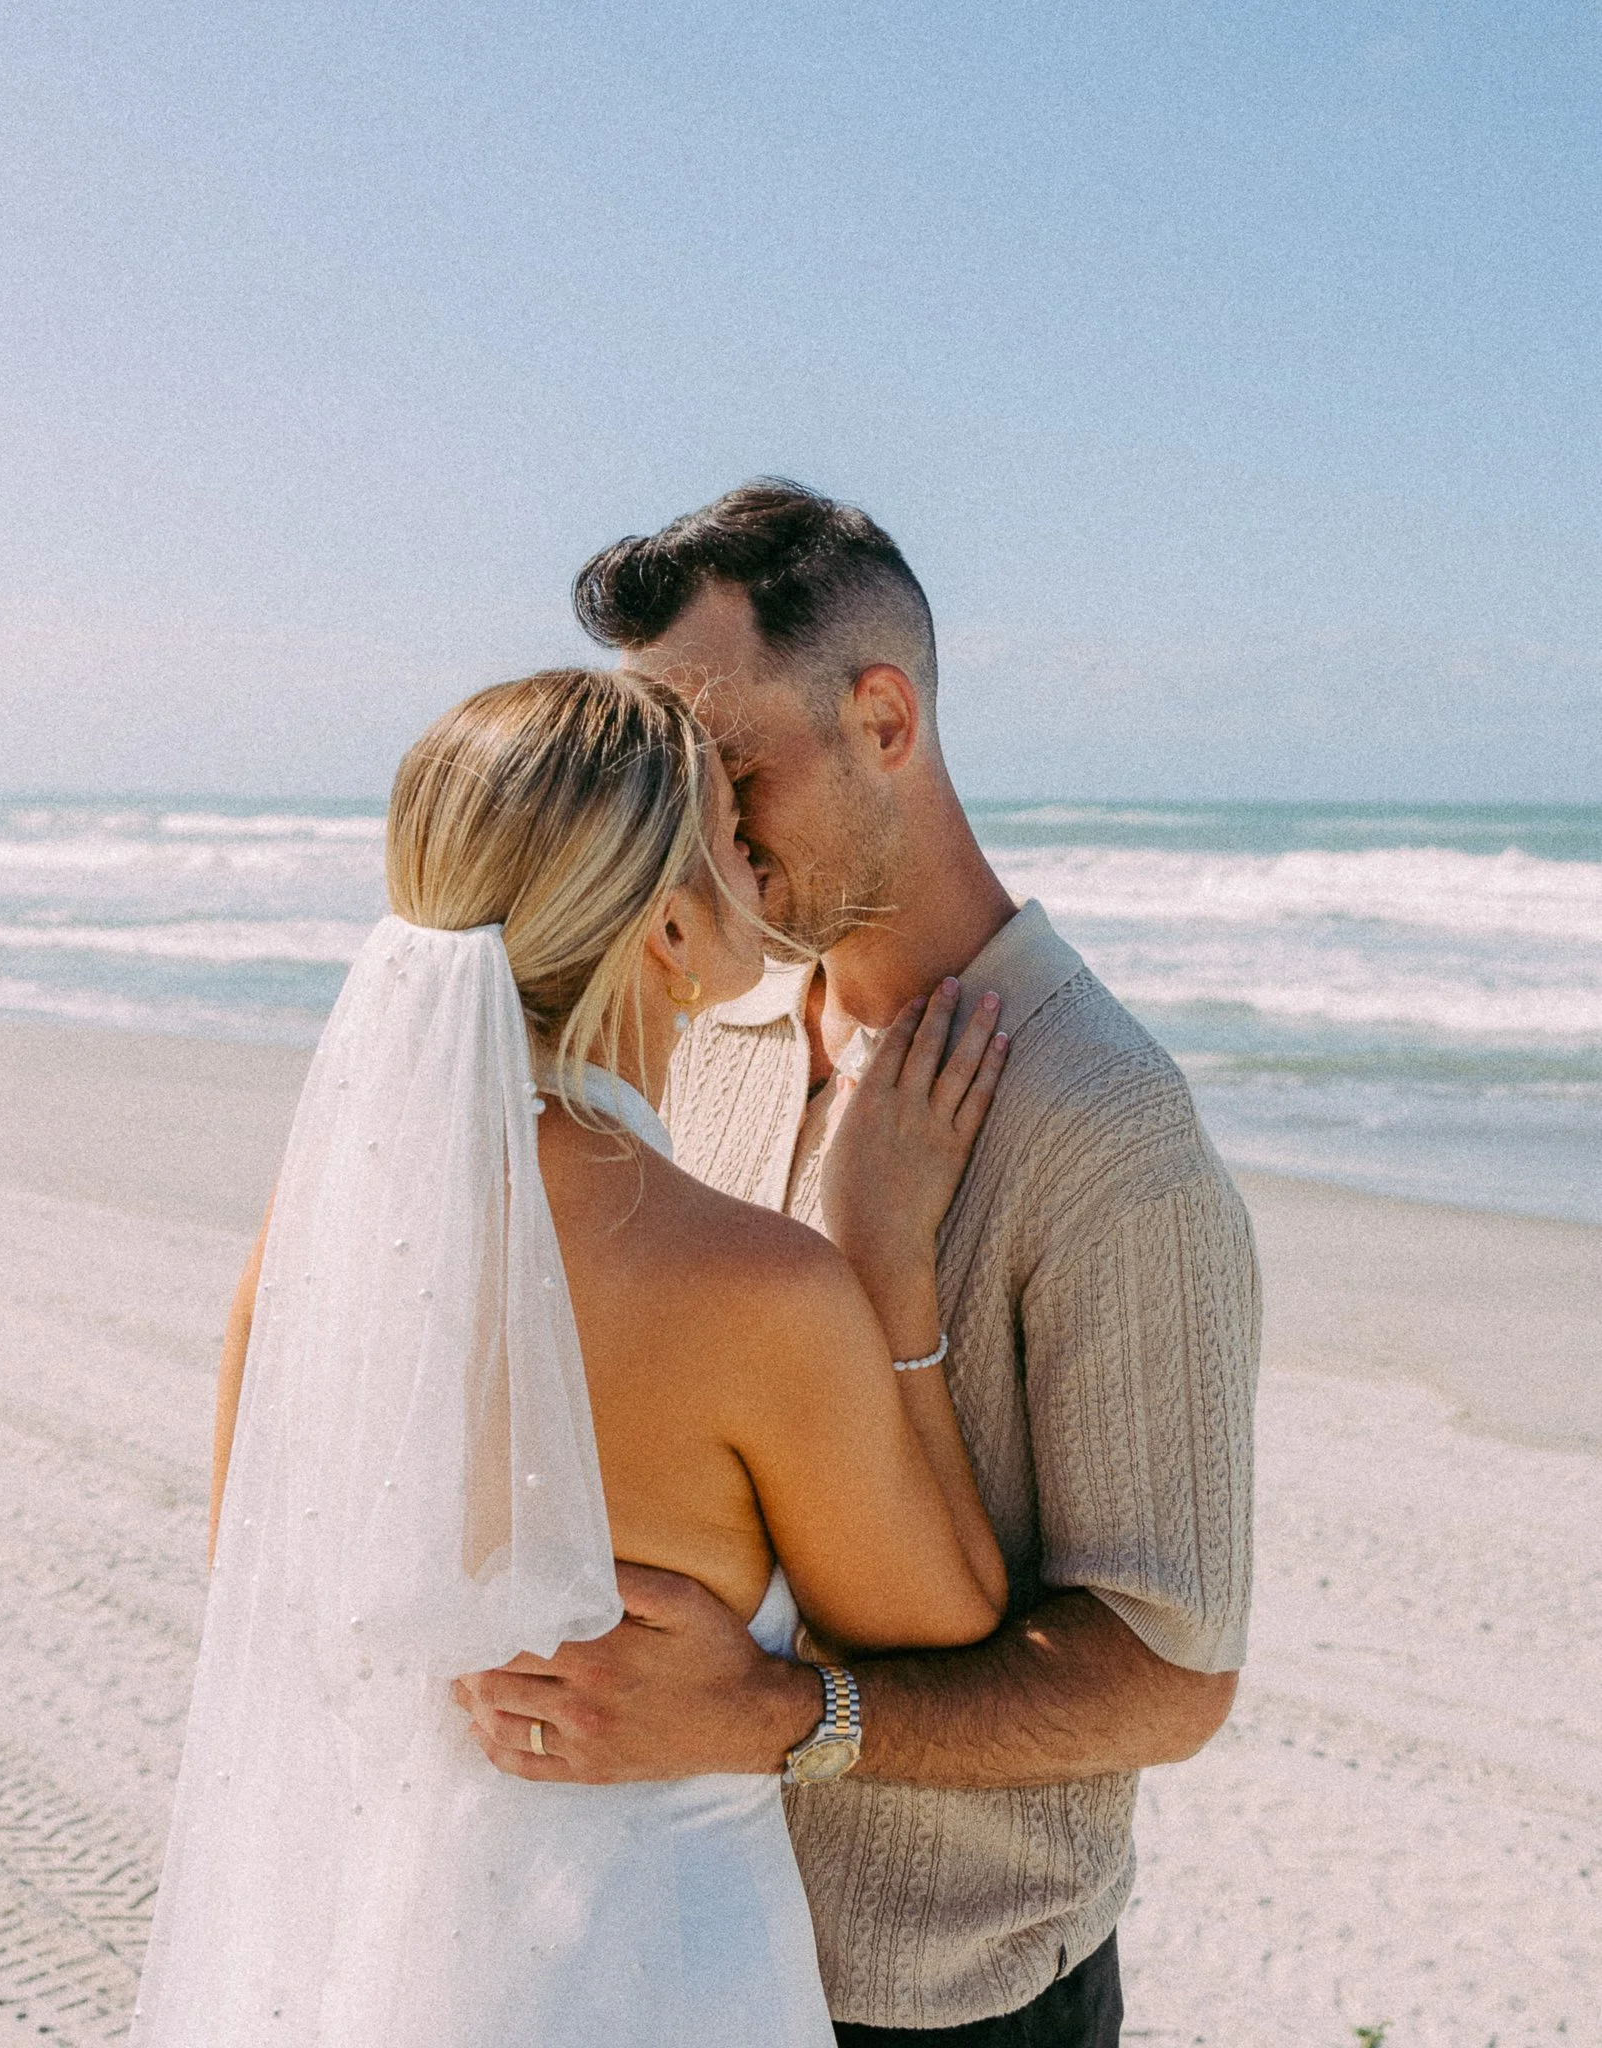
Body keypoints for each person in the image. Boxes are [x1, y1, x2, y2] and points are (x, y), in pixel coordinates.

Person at [455, 484, 1263, 2047]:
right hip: (653, 1959)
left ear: (881, 716)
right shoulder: (705, 1029)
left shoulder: (1105, 1131)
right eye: (670, 782)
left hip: (928, 2001)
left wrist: (777, 1720)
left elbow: (1168, 1681)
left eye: (731, 767)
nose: (697, 834)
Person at [131, 668, 1012, 2048]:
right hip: (648, 1973)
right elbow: (941, 1615)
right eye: (730, 836)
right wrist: (887, 1277)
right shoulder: (759, 1288)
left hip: (384, 1961)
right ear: (667, 924)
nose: (757, 858)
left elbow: (254, 1571)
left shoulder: (316, 1239)